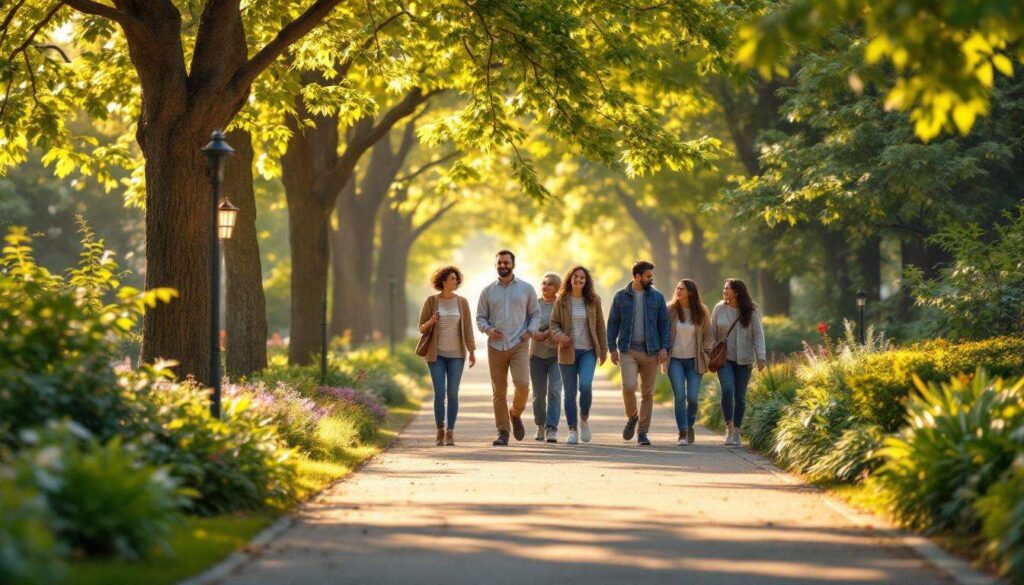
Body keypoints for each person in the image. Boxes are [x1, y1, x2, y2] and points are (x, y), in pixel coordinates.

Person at [477, 250, 541, 446]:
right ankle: (503, 432)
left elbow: (535, 314)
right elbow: (480, 317)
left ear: (513, 264)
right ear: (495, 265)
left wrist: (530, 331)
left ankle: (515, 413)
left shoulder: (526, 289)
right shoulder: (487, 291)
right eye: (500, 263)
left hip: (519, 344)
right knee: (499, 391)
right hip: (495, 346)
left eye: (506, 262)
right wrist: (488, 330)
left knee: (522, 384)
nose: (503, 265)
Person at [606, 260, 670, 446]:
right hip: (628, 350)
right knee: (628, 386)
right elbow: (612, 324)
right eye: (648, 276)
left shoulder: (657, 297)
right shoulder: (620, 297)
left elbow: (664, 324)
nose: (651, 279)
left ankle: (643, 432)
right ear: (637, 276)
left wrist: (664, 347)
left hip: (651, 351)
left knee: (648, 394)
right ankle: (632, 416)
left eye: (652, 276)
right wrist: (612, 348)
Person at [418, 266, 476, 446]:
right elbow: (421, 328)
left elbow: (467, 328)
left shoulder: (462, 302)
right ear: (443, 281)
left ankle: (450, 432)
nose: (455, 282)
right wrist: (431, 321)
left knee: (453, 393)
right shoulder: (431, 301)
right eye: (452, 278)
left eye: (457, 279)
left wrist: (472, 351)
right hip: (436, 355)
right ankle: (439, 431)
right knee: (439, 393)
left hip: (457, 355)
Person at [548, 266, 608, 445]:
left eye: (582, 278)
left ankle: (584, 418)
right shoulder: (562, 300)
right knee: (570, 393)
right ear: (570, 279)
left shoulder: (593, 300)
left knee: (586, 385)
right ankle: (572, 429)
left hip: (588, 351)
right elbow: (553, 324)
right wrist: (561, 337)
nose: (579, 280)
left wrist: (603, 350)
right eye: (575, 277)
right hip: (567, 351)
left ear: (586, 281)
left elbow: (600, 327)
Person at [710, 278, 767, 446]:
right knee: (727, 390)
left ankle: (737, 431)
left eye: (727, 288)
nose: (724, 291)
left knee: (740, 397)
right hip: (724, 358)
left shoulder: (751, 311)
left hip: (744, 358)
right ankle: (729, 427)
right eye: (724, 288)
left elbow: (758, 335)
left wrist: (761, 357)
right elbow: (712, 333)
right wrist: (711, 351)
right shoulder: (719, 309)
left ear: (737, 292)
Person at [664, 279, 713, 446]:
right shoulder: (670, 310)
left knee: (692, 398)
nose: (678, 291)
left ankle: (689, 423)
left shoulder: (702, 311)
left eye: (682, 289)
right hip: (675, 359)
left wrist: (707, 355)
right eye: (677, 288)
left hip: (695, 360)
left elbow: (708, 336)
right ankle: (682, 433)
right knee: (680, 396)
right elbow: (662, 331)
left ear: (690, 292)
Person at [530, 272, 563, 443]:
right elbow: (527, 323)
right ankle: (540, 425)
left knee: (555, 392)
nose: (545, 286)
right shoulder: (534, 304)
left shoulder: (561, 304)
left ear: (557, 287)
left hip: (557, 355)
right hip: (536, 354)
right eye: (543, 283)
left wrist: (548, 333)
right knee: (538, 393)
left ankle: (552, 429)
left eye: (550, 284)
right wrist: (534, 333)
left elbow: (564, 324)